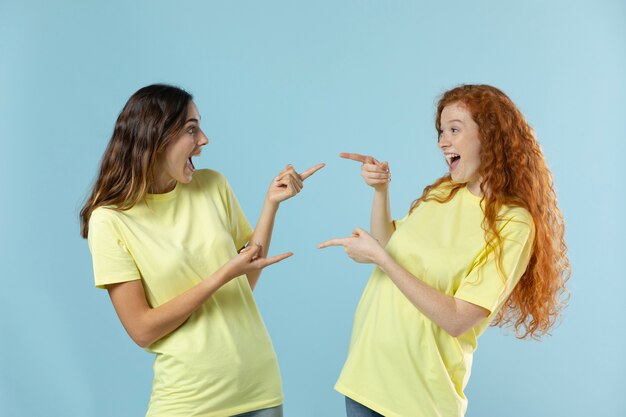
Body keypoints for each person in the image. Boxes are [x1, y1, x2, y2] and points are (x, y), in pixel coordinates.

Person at [319, 84, 570, 417]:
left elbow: (457, 319)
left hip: (417, 401)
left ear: (490, 135)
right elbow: (388, 246)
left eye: (454, 129)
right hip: (365, 379)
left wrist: (379, 259)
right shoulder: (443, 192)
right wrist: (380, 190)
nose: (442, 142)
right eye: (441, 131)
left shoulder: (513, 223)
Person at [80, 84, 324, 417]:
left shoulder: (213, 185)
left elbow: (244, 282)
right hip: (189, 400)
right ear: (156, 137)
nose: (204, 140)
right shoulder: (110, 221)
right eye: (191, 130)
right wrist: (222, 274)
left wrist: (271, 204)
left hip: (259, 388)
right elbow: (142, 329)